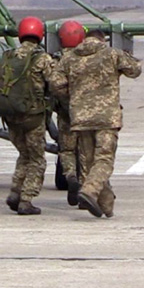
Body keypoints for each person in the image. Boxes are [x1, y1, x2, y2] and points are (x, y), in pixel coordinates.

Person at [49, 29, 142, 218]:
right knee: (105, 160)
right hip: (107, 117)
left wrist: (75, 97)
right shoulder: (112, 53)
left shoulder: (69, 58)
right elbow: (135, 70)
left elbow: (55, 84)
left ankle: (106, 206)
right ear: (102, 39)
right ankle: (89, 191)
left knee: (91, 162)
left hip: (81, 117)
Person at [0, 16, 54, 216]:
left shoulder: (7, 56)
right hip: (32, 117)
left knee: (24, 155)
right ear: (39, 35)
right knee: (37, 159)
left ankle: (15, 192)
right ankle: (26, 199)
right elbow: (55, 84)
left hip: (10, 116)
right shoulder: (42, 58)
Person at [53, 20, 86, 206]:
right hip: (85, 113)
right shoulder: (88, 59)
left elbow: (54, 85)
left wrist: (65, 103)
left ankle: (71, 176)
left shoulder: (58, 60)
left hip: (65, 114)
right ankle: (84, 187)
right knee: (85, 149)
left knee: (66, 149)